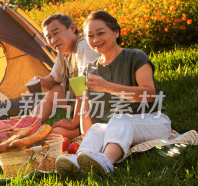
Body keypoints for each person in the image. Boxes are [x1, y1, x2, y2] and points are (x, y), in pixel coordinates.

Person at [55, 10, 171, 176]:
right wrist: (84, 102)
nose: (95, 40)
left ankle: (106, 161)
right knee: (97, 129)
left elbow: (149, 94)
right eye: (90, 36)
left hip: (153, 121)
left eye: (101, 33)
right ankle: (80, 161)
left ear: (116, 32)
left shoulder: (135, 57)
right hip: (117, 127)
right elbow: (87, 120)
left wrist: (107, 86)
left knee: (120, 119)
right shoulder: (90, 69)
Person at [33, 13, 99, 138]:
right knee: (56, 90)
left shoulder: (84, 46)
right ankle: (29, 124)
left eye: (56, 33)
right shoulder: (62, 54)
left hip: (96, 105)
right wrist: (41, 81)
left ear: (72, 28)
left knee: (56, 132)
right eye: (49, 37)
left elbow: (83, 87)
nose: (53, 40)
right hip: (80, 104)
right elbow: (52, 81)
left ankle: (82, 130)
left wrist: (73, 122)